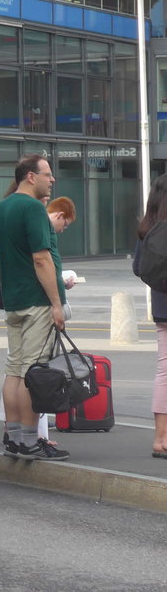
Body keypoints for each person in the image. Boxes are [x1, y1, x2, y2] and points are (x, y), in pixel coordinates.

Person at [0, 154, 70, 461]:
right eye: (47, 174)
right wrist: (56, 304)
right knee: (32, 373)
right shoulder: (34, 208)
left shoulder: (0, 209)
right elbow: (41, 258)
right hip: (37, 302)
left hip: (13, 301)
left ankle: (12, 437)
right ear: (30, 177)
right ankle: (28, 441)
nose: (52, 180)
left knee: (14, 371)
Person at [134, 175, 167, 458]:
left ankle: (161, 439)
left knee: (164, 372)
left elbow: (138, 267)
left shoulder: (148, 228)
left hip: (162, 309)